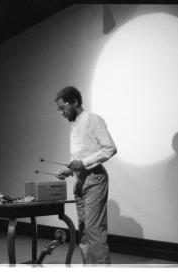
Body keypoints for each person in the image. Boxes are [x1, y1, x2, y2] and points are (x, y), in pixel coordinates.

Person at [54, 86, 117, 264]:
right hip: (79, 180)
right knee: (83, 230)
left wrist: (83, 163)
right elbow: (81, 157)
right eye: (59, 110)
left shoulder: (93, 120)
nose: (61, 113)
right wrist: (70, 169)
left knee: (94, 230)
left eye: (62, 108)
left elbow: (110, 148)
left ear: (74, 102)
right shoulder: (73, 127)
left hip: (95, 179)